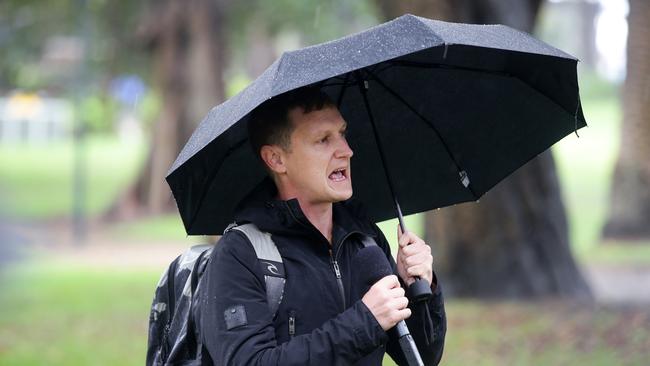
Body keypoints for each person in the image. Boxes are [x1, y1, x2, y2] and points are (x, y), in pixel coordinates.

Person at [199, 87, 446, 365]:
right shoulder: (241, 254)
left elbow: (422, 355)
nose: (347, 150)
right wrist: (364, 321)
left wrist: (419, 287)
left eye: (342, 133)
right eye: (323, 140)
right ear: (277, 159)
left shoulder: (364, 239)